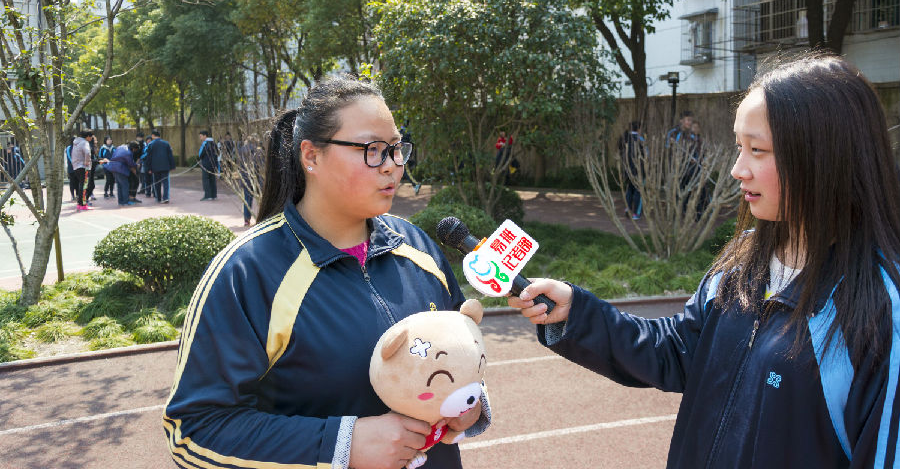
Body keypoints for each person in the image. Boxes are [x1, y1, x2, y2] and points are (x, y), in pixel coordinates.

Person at [508, 55, 900, 468]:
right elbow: (679, 351)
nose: (737, 170)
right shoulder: (742, 261)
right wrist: (577, 313)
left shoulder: (881, 310)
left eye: (757, 150)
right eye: (739, 147)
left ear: (823, 156)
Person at [164, 76, 490, 469]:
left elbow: (459, 356)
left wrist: (471, 402)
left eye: (396, 148)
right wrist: (342, 444)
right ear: (312, 156)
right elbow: (193, 431)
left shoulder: (417, 246)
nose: (392, 166)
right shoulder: (247, 272)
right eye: (372, 150)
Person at [618, 120, 645, 220]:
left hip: (627, 169)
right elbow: (646, 154)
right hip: (638, 169)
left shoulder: (624, 138)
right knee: (638, 191)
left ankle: (628, 208)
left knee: (629, 189)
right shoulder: (640, 139)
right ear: (639, 129)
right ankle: (636, 213)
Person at [101, 141, 141, 206]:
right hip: (120, 168)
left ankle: (120, 202)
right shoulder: (128, 153)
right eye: (135, 149)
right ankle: (125, 202)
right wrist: (136, 165)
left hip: (113, 167)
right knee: (125, 185)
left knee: (119, 186)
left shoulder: (121, 147)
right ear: (133, 148)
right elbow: (130, 163)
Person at [236, 135, 263, 226]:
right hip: (256, 177)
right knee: (260, 199)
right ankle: (261, 218)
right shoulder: (258, 151)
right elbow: (261, 165)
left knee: (247, 199)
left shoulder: (241, 150)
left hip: (245, 177)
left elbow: (239, 165)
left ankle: (246, 219)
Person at [145, 130, 175, 203]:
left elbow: (148, 157)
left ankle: (158, 198)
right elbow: (170, 155)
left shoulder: (151, 144)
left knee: (157, 183)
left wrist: (148, 168)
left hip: (155, 167)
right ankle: (165, 198)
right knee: (165, 183)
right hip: (165, 166)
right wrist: (172, 166)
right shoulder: (166, 143)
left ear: (153, 135)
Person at [70, 130, 94, 210]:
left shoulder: (76, 143)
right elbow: (87, 152)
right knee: (84, 186)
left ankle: (80, 204)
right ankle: (83, 205)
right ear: (88, 136)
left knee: (81, 185)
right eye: (91, 136)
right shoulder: (85, 142)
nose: (91, 138)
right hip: (83, 167)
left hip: (76, 166)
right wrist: (87, 162)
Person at [197, 129, 219, 201]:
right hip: (213, 164)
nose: (200, 138)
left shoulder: (205, 143)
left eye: (201, 136)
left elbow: (200, 154)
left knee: (206, 179)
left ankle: (208, 195)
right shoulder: (214, 143)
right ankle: (214, 195)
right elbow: (218, 153)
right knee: (212, 179)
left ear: (205, 136)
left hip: (206, 164)